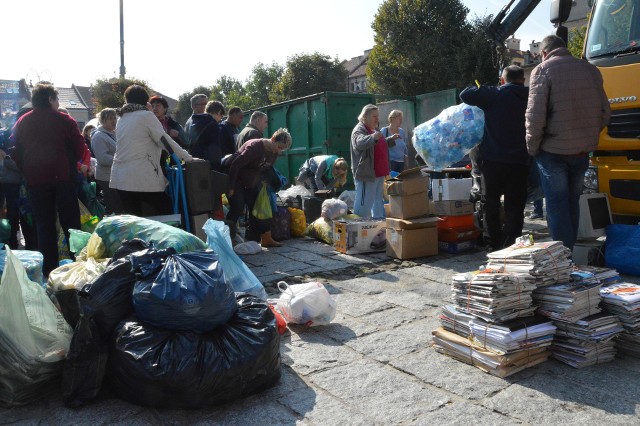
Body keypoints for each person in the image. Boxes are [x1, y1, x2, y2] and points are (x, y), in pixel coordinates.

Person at [526, 35, 611, 250]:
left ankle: (562, 259)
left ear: (544, 53)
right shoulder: (591, 70)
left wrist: (532, 147)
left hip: (552, 152)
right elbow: (605, 112)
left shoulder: (543, 70)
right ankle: (570, 253)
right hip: (581, 152)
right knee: (573, 203)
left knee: (556, 206)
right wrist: (588, 136)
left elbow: (535, 117)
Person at [11, 82, 89, 276]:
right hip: (63, 178)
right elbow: (81, 147)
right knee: (71, 224)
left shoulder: (22, 121)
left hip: (36, 180)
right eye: (57, 99)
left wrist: (26, 170)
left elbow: (15, 150)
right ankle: (75, 267)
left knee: (44, 226)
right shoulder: (65, 120)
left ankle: (49, 270)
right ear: (51, 99)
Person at [460, 65, 530, 251]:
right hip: (521, 162)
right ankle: (511, 245)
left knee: (489, 203)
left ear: (502, 80)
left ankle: (493, 246)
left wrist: (490, 88)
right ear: (523, 80)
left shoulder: (495, 94)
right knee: (515, 207)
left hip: (493, 161)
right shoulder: (531, 95)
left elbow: (465, 94)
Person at [110, 85, 195, 216]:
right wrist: (188, 158)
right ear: (146, 101)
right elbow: (165, 141)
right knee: (165, 210)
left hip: (121, 176)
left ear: (127, 100)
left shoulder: (122, 117)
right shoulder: (146, 116)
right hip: (142, 175)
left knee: (134, 217)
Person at [224, 128, 292, 248]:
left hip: (251, 181)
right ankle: (227, 238)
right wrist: (231, 187)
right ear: (272, 139)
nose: (279, 151)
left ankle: (264, 238)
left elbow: (267, 168)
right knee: (237, 208)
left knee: (259, 208)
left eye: (282, 149)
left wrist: (268, 183)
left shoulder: (273, 152)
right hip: (237, 180)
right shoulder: (255, 147)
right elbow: (235, 165)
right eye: (279, 147)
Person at [350, 104, 392, 218]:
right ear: (365, 116)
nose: (377, 119)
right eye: (374, 116)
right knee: (363, 205)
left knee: (377, 202)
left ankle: (378, 228)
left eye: (377, 116)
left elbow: (378, 144)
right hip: (367, 174)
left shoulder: (374, 129)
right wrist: (373, 137)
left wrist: (390, 140)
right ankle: (358, 229)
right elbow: (359, 143)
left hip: (378, 173)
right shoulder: (359, 129)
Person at [91, 107, 121, 213]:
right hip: (106, 176)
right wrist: (121, 158)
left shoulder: (113, 134)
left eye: (115, 118)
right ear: (103, 121)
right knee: (113, 206)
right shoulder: (99, 136)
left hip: (114, 176)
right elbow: (102, 158)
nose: (114, 121)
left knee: (117, 205)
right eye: (110, 118)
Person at [189, 100, 225, 172]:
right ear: (219, 112)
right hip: (206, 167)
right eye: (221, 116)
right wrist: (217, 169)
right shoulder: (213, 125)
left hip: (193, 163)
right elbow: (214, 151)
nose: (220, 120)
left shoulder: (194, 122)